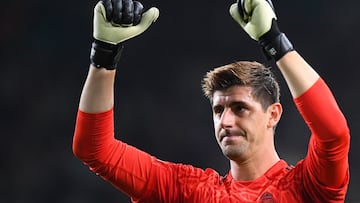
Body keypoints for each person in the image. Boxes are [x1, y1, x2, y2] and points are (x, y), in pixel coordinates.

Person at [72, 0, 350, 202]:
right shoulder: (190, 191)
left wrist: (274, 41)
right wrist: (104, 56)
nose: (225, 121)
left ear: (273, 114)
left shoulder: (307, 188)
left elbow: (333, 134)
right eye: (219, 110)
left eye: (240, 108)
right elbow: (95, 150)